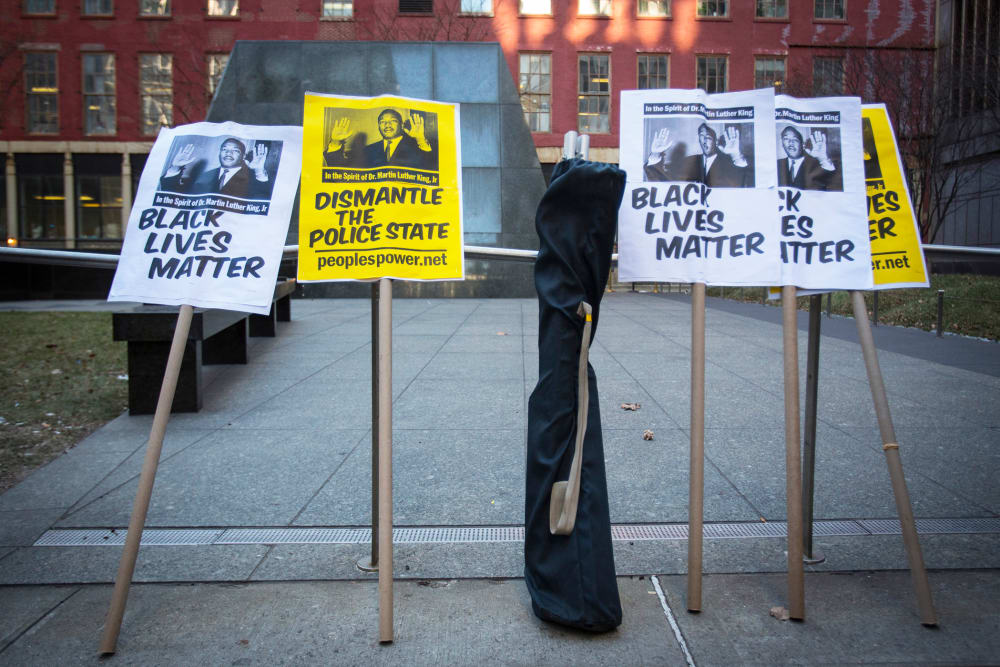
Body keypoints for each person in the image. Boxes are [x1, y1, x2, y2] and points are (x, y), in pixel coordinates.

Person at [324, 108, 436, 170]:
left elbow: (432, 168)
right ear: (379, 127)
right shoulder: (367, 150)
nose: (387, 125)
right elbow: (340, 172)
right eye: (383, 122)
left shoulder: (416, 146)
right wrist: (335, 142)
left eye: (393, 121)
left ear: (401, 125)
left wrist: (421, 139)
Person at [644, 122, 750, 187]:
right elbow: (661, 182)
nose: (704, 140)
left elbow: (743, 182)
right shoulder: (687, 162)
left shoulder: (728, 162)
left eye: (708, 137)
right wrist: (655, 154)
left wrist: (736, 155)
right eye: (701, 136)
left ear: (716, 141)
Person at [160, 137, 270, 198]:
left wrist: (259, 171)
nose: (228, 153)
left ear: (243, 156)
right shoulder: (204, 176)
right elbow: (172, 197)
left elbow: (263, 198)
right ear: (220, 153)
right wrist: (175, 168)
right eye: (225, 149)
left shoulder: (253, 178)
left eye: (235, 151)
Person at [776, 126, 841, 191]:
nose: (790, 142)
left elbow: (834, 186)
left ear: (802, 145)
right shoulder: (777, 165)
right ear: (782, 144)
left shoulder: (816, 164)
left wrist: (823, 158)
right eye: (786, 139)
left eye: (795, 139)